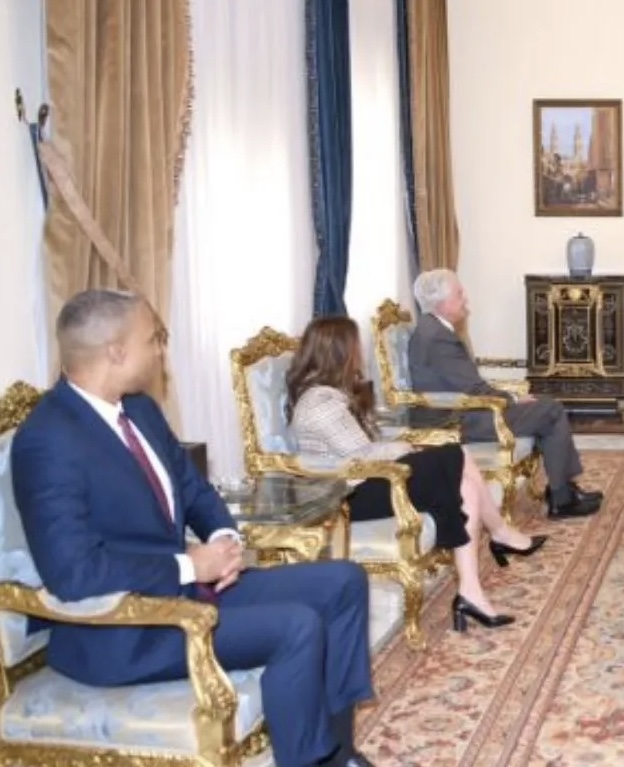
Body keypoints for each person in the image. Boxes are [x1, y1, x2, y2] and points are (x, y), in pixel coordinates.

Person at [11, 290, 374, 767]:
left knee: (343, 581)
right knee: (297, 626)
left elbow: (193, 489)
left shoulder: (139, 409)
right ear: (115, 352)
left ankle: (338, 752)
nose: (161, 351)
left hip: (190, 594)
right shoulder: (48, 439)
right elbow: (73, 573)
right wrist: (188, 565)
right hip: (123, 631)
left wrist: (224, 538)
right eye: (153, 339)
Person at [288, 316, 546, 631]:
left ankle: (470, 591)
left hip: (370, 479)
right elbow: (361, 457)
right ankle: (501, 533)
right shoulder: (320, 404)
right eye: (355, 347)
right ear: (339, 352)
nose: (360, 354)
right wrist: (404, 448)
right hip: (350, 495)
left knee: (463, 484)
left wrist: (403, 447)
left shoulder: (332, 395)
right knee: (455, 455)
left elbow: (365, 448)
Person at [406, 269, 602, 518]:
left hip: (462, 411)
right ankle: (562, 499)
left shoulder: (432, 329)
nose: (465, 298)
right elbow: (473, 389)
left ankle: (563, 493)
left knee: (544, 405)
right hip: (455, 419)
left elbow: (468, 385)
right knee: (550, 410)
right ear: (442, 303)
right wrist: (513, 399)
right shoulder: (437, 337)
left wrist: (513, 398)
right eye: (459, 294)